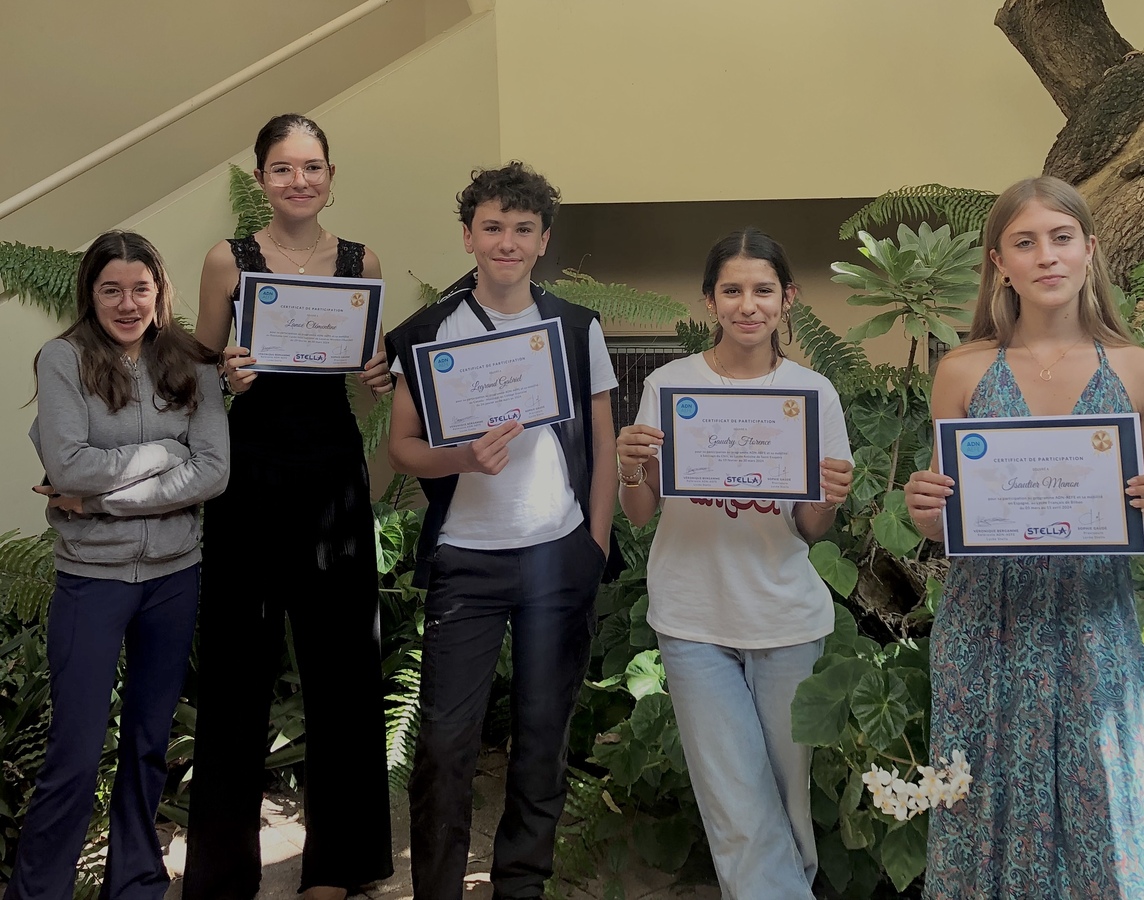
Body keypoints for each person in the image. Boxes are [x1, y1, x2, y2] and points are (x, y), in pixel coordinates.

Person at [904, 176, 1144, 898]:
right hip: (986, 627)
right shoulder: (962, 371)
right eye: (1025, 242)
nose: (1046, 256)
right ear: (999, 262)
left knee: (1106, 806)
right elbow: (947, 522)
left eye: (1062, 238)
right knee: (984, 807)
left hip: (1092, 624)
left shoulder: (1141, 372)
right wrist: (926, 510)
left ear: (1089, 249)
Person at [384, 161, 618, 900]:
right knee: (444, 742)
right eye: (492, 227)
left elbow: (605, 444)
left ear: (543, 240)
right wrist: (461, 457)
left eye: (522, 229)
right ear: (468, 237)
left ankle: (520, 886)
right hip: (467, 560)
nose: (506, 242)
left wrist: (594, 545)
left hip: (558, 553)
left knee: (543, 737)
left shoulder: (575, 328)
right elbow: (402, 446)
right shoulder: (429, 333)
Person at [182, 114, 394, 900]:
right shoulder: (227, 260)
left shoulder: (361, 261)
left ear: (331, 176)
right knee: (236, 671)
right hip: (250, 474)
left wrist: (377, 374)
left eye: (311, 167)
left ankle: (339, 868)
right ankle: (221, 874)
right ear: (262, 179)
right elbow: (195, 371)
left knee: (344, 670)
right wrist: (226, 374)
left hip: (334, 472)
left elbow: (367, 372)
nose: (298, 180)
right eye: (282, 168)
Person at [615, 227, 853, 898]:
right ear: (709, 300)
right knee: (737, 809)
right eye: (732, 291)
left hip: (786, 618)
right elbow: (641, 512)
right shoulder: (669, 386)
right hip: (693, 618)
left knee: (786, 807)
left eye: (763, 290)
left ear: (788, 299)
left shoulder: (813, 394)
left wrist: (827, 498)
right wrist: (630, 466)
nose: (748, 305)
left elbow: (810, 527)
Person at [9, 231, 229, 899]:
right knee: (74, 753)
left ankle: (134, 884)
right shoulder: (63, 359)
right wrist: (169, 454)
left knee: (147, 743)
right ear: (91, 293)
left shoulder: (193, 363)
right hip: (92, 580)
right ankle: (38, 893)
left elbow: (214, 472)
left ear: (159, 293)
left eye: (141, 289)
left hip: (173, 578)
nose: (128, 304)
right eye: (112, 290)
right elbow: (68, 465)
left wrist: (99, 502)